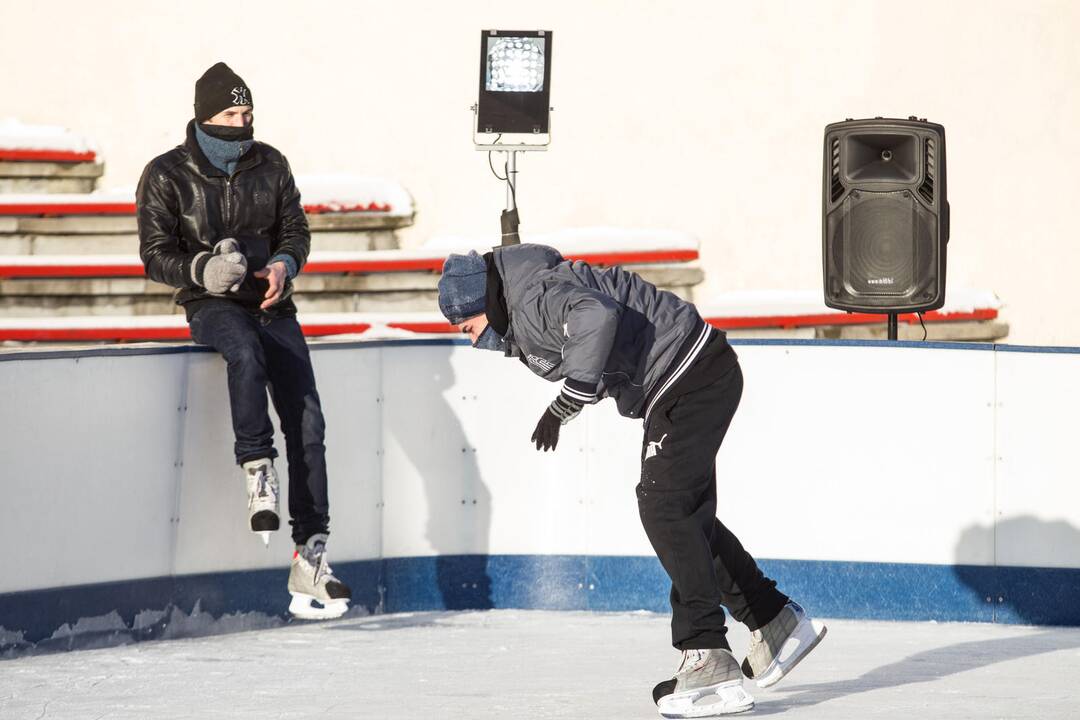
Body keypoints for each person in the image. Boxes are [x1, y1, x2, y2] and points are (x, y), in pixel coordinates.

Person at [436, 244, 827, 717]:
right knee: (682, 514)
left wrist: (568, 400)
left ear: (482, 300)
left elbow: (596, 316)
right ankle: (772, 617)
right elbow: (593, 341)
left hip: (689, 375)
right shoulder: (524, 300)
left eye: (468, 326)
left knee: (663, 506)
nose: (472, 339)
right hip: (693, 373)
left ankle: (706, 651)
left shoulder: (532, 295)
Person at [136, 62, 350, 620]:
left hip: (272, 304)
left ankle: (312, 553)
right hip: (212, 304)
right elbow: (155, 253)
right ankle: (257, 467)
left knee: (308, 418)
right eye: (231, 113)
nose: (243, 121)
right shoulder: (166, 173)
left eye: (248, 112)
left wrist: (284, 264)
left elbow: (295, 230)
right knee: (244, 355)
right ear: (205, 117)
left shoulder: (271, 162)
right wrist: (202, 268)